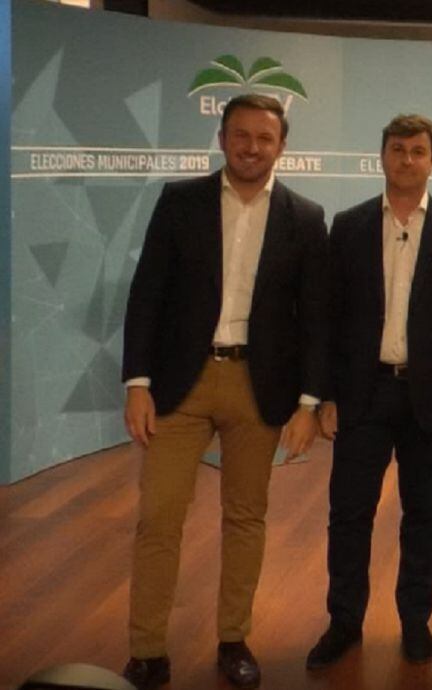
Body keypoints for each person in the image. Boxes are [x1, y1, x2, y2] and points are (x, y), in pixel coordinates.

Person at [121, 94, 329, 690]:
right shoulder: (179, 202)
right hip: (178, 386)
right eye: (241, 135)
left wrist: (309, 403)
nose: (251, 147)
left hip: (258, 386)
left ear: (281, 147)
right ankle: (147, 652)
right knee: (158, 518)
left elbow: (316, 318)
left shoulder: (305, 217)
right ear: (222, 139)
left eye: (264, 138)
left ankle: (233, 640)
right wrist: (137, 383)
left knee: (245, 517)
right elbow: (147, 295)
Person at [305, 114, 432, 668]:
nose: (406, 159)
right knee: (349, 515)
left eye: (417, 151)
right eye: (397, 149)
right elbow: (328, 318)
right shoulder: (349, 225)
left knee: (423, 513)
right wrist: (326, 396)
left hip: (429, 400)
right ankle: (344, 622)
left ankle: (415, 621)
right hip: (361, 396)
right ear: (381, 155)